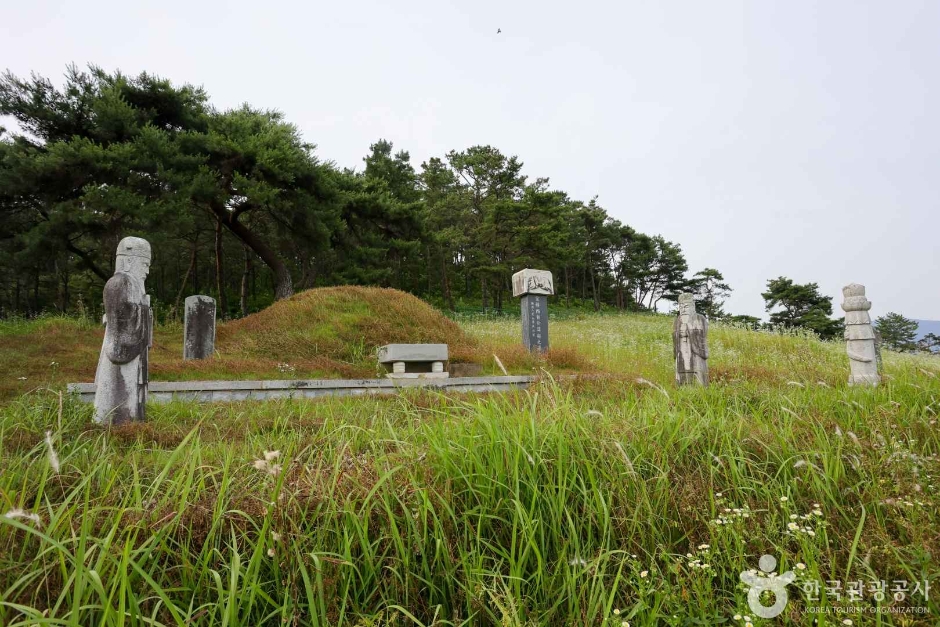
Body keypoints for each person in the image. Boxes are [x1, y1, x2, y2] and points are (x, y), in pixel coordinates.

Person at [93, 237, 153, 424]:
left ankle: (131, 424)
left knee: (133, 392)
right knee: (117, 394)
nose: (147, 270)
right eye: (144, 264)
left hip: (133, 353)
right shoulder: (119, 283)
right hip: (121, 350)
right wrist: (145, 313)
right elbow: (120, 323)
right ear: (128, 261)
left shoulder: (133, 285)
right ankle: (117, 423)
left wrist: (144, 309)